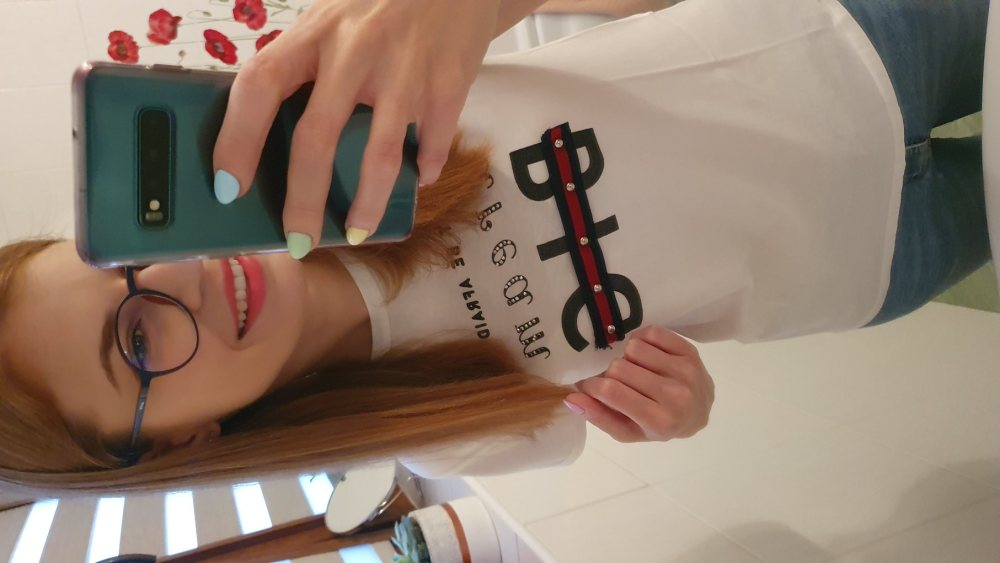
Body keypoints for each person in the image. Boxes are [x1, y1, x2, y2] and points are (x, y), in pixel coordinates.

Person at [0, 0, 991, 497]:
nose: (181, 279)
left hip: (846, 38)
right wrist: (679, 409)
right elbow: (644, 397)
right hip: (867, 258)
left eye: (126, 261)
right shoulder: (440, 431)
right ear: (179, 442)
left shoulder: (330, 121)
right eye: (137, 341)